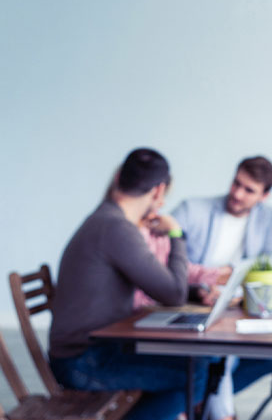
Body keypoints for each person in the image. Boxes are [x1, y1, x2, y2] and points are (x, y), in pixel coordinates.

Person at [48, 148, 209, 420]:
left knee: (197, 364)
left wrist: (199, 291)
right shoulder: (116, 228)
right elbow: (173, 293)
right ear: (159, 191)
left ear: (119, 176)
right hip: (83, 361)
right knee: (196, 373)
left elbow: (162, 286)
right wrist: (176, 234)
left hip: (88, 352)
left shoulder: (106, 220)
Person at [172, 155, 272, 420]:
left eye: (249, 190)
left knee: (271, 358)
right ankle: (221, 414)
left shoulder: (265, 217)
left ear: (264, 196)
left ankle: (200, 401)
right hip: (192, 302)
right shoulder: (193, 209)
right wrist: (202, 286)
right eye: (236, 183)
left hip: (234, 304)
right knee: (221, 351)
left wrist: (238, 279)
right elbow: (163, 254)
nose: (237, 193)